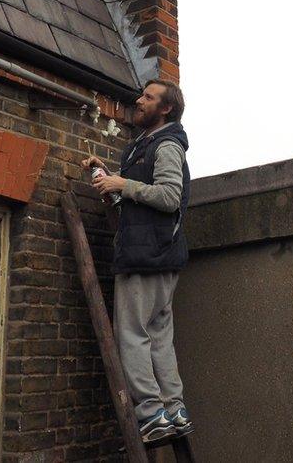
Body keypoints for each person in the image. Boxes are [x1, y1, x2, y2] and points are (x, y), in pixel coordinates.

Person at [81, 79, 193, 443]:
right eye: (141, 94)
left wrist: (122, 185)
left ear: (166, 109)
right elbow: (135, 196)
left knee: (131, 335)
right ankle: (174, 410)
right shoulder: (144, 145)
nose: (138, 100)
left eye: (148, 97)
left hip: (147, 255)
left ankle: (150, 414)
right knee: (158, 337)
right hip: (158, 254)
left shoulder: (168, 144)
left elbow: (168, 197)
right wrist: (110, 177)